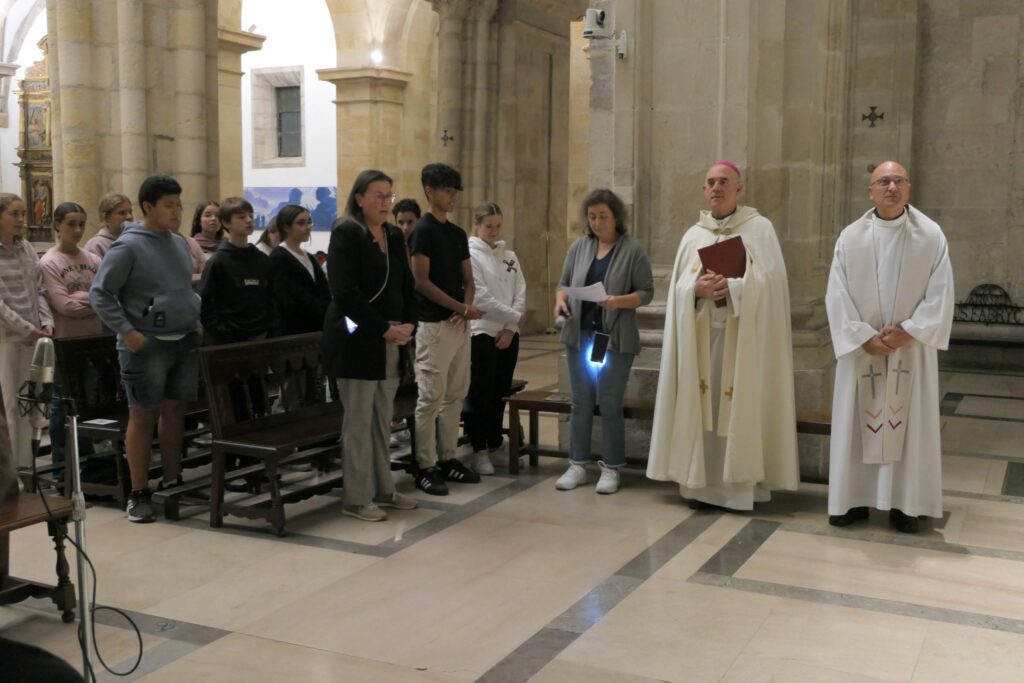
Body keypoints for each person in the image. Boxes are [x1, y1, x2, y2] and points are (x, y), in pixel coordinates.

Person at [647, 162, 798, 510]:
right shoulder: (692, 235)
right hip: (702, 341)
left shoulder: (759, 230)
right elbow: (676, 290)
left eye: (724, 182)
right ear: (704, 190)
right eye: (711, 183)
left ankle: (738, 489)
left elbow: (774, 286)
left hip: (743, 343)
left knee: (738, 408)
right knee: (702, 409)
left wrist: (735, 287)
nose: (717, 188)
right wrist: (694, 289)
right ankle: (699, 487)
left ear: (739, 189)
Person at [825, 161, 954, 534]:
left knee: (909, 425)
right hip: (862, 349)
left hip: (909, 350)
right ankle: (852, 501)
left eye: (898, 181)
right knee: (857, 422)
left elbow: (942, 292)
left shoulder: (931, 236)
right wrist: (863, 335)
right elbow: (837, 293)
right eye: (883, 181)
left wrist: (909, 331)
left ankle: (906, 505)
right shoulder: (850, 238)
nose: (891, 187)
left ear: (909, 189)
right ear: (871, 191)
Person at [90, 175, 202, 523]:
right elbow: (100, 293)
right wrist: (129, 332)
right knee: (143, 416)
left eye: (179, 205)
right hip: (145, 344)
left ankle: (172, 479)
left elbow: (183, 286)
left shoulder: (179, 243)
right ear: (148, 207)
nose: (177, 212)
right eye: (169, 206)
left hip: (183, 340)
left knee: (174, 411)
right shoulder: (128, 246)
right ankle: (139, 492)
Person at [324, 170, 418, 520]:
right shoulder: (347, 233)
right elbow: (344, 293)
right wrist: (383, 330)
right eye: (377, 196)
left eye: (389, 196)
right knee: (359, 422)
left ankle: (384, 489)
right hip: (357, 339)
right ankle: (357, 498)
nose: (384, 202)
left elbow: (406, 285)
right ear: (359, 198)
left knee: (383, 418)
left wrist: (410, 322)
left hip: (392, 336)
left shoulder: (393, 234)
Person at [553, 189, 653, 494]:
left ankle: (611, 468)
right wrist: (560, 301)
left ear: (616, 217)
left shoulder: (632, 249)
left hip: (612, 338)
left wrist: (619, 301)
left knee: (609, 404)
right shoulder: (579, 248)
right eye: (592, 216)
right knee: (581, 402)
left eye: (603, 216)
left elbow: (647, 292)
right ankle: (577, 465)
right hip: (580, 335)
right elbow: (563, 284)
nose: (597, 223)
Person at [408, 163, 482, 495]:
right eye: (447, 190)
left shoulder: (456, 233)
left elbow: (469, 280)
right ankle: (425, 465)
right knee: (430, 398)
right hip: (434, 325)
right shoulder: (423, 230)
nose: (453, 197)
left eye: (455, 191)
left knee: (455, 395)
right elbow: (421, 282)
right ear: (430, 191)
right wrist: (460, 308)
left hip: (458, 324)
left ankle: (449, 457)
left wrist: (465, 310)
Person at [40, 202, 103, 471]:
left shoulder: (94, 260)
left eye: (81, 224)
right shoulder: (49, 262)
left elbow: (107, 299)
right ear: (57, 225)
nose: (77, 230)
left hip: (94, 338)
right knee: (62, 403)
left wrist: (82, 299)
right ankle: (62, 464)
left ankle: (87, 461)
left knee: (88, 401)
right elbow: (64, 305)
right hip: (66, 341)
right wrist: (91, 303)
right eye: (71, 224)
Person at [466, 202, 526, 475]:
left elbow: (520, 290)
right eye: (488, 225)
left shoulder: (509, 255)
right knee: (481, 393)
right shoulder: (470, 254)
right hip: (481, 332)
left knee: (500, 392)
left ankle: (494, 443)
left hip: (508, 333)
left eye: (498, 225)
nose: (493, 230)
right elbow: (479, 295)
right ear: (477, 225)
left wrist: (511, 326)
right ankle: (478, 449)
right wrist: (512, 316)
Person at [0, 193, 54, 469]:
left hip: (35, 337)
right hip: (7, 340)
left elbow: (39, 290)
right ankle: (11, 471)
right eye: (14, 214)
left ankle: (27, 466)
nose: (21, 220)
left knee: (33, 404)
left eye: (23, 214)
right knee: (11, 406)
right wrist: (27, 329)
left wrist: (46, 323)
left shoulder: (27, 249)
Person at [199, 197, 272, 345]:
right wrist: (225, 332)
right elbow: (205, 306)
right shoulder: (217, 262)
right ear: (226, 223)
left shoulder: (262, 259)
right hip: (228, 341)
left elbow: (271, 298)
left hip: (261, 336)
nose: (249, 220)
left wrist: (269, 328)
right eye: (241, 217)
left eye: (251, 216)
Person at [268, 204, 331, 336]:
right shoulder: (279, 257)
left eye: (309, 222)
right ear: (286, 227)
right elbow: (292, 299)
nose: (307, 227)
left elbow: (323, 289)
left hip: (317, 327)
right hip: (294, 331)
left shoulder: (308, 256)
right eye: (301, 223)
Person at [83, 193, 133, 259]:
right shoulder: (96, 245)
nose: (129, 217)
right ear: (107, 218)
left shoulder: (133, 240)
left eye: (130, 212)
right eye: (122, 213)